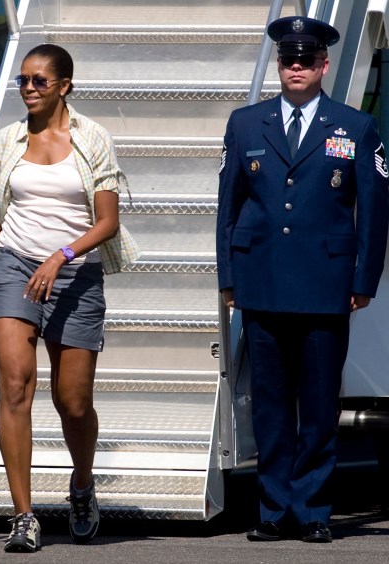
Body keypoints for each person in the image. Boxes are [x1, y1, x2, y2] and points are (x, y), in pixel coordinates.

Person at [0, 43, 139, 553]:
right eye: (23, 82)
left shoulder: (92, 138)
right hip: (13, 267)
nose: (29, 89)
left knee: (72, 403)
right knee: (15, 384)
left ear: (64, 86)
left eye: (39, 82)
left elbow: (108, 222)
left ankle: (80, 484)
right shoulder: (8, 139)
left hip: (75, 275)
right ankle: (24, 514)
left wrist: (60, 256)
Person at [216, 16, 389, 544]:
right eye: (288, 59)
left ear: (323, 65)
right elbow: (229, 206)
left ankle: (312, 510)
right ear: (279, 64)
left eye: (306, 60)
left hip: (324, 283)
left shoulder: (354, 126)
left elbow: (375, 210)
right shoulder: (246, 123)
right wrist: (229, 277)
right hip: (263, 280)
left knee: (317, 405)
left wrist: (364, 279)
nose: (296, 67)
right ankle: (273, 511)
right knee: (270, 402)